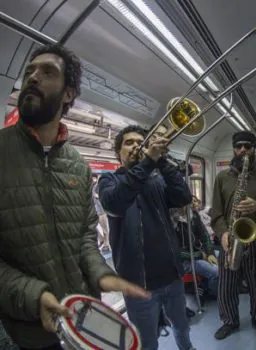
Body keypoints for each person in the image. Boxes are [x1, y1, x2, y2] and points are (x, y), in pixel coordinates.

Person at [0, 44, 149, 350]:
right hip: (28, 330)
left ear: (68, 94)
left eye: (47, 72)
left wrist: (101, 274)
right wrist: (34, 295)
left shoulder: (78, 166)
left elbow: (84, 238)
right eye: (29, 71)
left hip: (83, 318)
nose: (33, 77)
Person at [98, 125, 195, 350]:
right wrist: (148, 161)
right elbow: (115, 203)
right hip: (137, 285)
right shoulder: (109, 180)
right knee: (146, 342)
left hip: (171, 276)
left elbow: (183, 196)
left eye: (140, 141)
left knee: (182, 326)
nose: (136, 146)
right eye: (129, 142)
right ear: (118, 153)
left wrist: (160, 160)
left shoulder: (157, 180)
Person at [211, 131, 256, 340]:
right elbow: (216, 212)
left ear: (253, 149)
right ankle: (230, 320)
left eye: (247, 146)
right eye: (239, 146)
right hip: (229, 240)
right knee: (226, 284)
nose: (243, 150)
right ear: (234, 149)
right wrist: (222, 233)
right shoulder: (222, 176)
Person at [174, 196, 219, 299]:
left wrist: (210, 253)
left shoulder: (193, 215)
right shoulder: (172, 221)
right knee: (216, 272)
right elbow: (176, 252)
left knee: (223, 258)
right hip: (184, 261)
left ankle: (218, 286)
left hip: (199, 252)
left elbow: (205, 235)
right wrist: (199, 255)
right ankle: (214, 293)